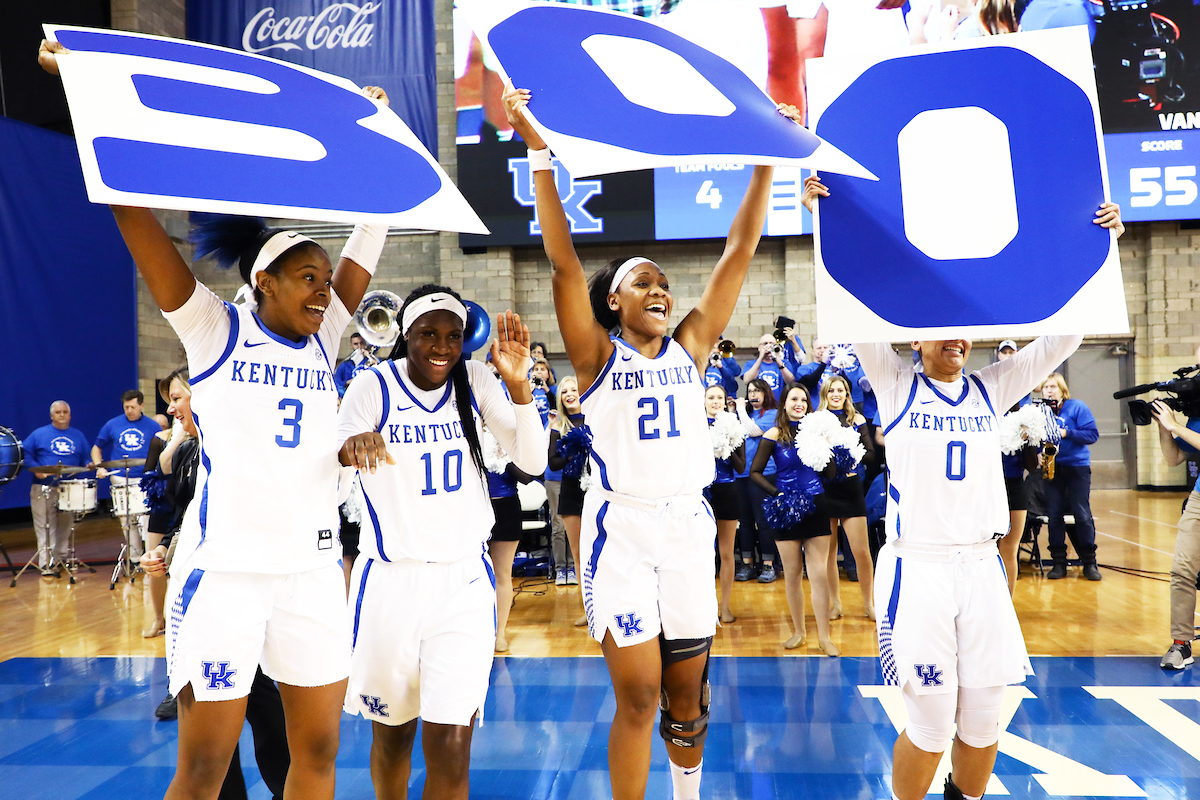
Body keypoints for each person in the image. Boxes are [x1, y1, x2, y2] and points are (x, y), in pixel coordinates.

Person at [41, 38, 389, 799]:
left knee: (317, 758)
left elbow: (369, 237)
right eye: (307, 279)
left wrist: (375, 139)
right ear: (263, 280)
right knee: (201, 770)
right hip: (226, 574)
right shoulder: (214, 328)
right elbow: (134, 218)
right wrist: (84, 99)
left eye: (328, 283)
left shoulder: (326, 334)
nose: (325, 294)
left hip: (309, 572)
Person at [504, 82, 791, 800]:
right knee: (638, 698)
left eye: (664, 282)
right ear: (614, 304)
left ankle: (686, 793)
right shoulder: (598, 358)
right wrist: (540, 156)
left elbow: (741, 246)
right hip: (622, 530)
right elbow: (565, 262)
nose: (660, 289)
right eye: (642, 283)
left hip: (687, 525)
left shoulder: (690, 347)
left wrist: (767, 161)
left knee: (688, 699)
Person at [802, 174, 1124, 800]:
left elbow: (1065, 336)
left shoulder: (990, 386)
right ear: (913, 336)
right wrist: (822, 218)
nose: (955, 335)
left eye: (962, 326)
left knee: (983, 720)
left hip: (980, 565)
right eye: (938, 325)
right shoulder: (894, 384)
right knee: (927, 726)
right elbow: (846, 296)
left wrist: (1102, 248)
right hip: (917, 568)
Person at [337, 286, 546, 800]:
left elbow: (533, 462)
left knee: (452, 747)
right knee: (392, 739)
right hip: (390, 581)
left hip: (462, 584)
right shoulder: (372, 387)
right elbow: (335, 461)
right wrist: (350, 448)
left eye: (453, 336)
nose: (441, 346)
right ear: (405, 333)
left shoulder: (475, 380)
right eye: (428, 333)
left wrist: (519, 388)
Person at [140, 371, 291, 797]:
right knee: (222, 720)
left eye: (176, 398)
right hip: (201, 593)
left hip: (245, 588)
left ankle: (288, 786)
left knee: (262, 704)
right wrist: (164, 552)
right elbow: (188, 517)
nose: (170, 409)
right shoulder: (188, 451)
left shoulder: (247, 449)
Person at [750, 383, 837, 654]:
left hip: (816, 504)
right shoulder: (774, 433)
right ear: (784, 404)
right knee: (792, 574)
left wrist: (827, 445)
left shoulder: (816, 433)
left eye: (803, 399)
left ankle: (824, 637)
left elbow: (831, 474)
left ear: (808, 405)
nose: (798, 403)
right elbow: (755, 472)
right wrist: (778, 495)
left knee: (819, 573)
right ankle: (799, 631)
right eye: (793, 399)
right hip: (785, 509)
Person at [818, 374, 876, 620]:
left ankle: (869, 603)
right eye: (831, 391)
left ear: (847, 394)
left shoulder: (857, 419)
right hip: (826, 489)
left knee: (861, 550)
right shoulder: (816, 421)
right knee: (829, 553)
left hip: (851, 488)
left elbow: (872, 455)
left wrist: (853, 451)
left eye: (840, 390)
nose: (836, 395)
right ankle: (836, 604)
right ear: (825, 395)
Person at [1150, 397, 1200, 669]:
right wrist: (1163, 426)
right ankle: (1181, 643)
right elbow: (1174, 458)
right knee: (1182, 568)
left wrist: (1177, 427)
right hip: (1199, 499)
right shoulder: (1197, 414)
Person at [1040, 372, 1101, 581]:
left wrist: (1066, 433)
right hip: (1051, 467)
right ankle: (1058, 562)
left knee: (1081, 514)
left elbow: (1092, 435)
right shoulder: (1039, 411)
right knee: (1054, 515)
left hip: (1076, 467)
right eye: (1046, 387)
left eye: (1053, 387)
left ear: (1062, 389)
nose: (1049, 390)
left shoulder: (1077, 407)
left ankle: (1089, 562)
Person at [485, 425, 538, 653]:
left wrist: (505, 456)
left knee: (502, 574)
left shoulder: (508, 436)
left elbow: (527, 477)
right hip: (472, 508)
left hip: (505, 508)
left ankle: (500, 633)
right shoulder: (465, 432)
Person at [93, 389, 163, 561]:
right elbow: (96, 448)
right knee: (127, 519)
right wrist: (99, 467)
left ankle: (150, 555)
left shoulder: (153, 426)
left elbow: (162, 448)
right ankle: (134, 558)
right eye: (126, 407)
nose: (129, 411)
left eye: (132, 407)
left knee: (147, 517)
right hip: (120, 478)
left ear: (142, 406)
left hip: (144, 478)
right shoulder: (112, 424)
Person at [23, 401, 90, 576]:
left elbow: (85, 458)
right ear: (52, 415)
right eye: (58, 412)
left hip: (68, 488)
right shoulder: (39, 434)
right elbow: (25, 453)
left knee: (64, 527)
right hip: (43, 487)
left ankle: (61, 559)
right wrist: (36, 469)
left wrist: (90, 464)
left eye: (65, 412)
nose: (62, 414)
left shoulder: (78, 435)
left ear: (70, 415)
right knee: (45, 527)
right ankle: (46, 564)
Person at [704, 384, 745, 624]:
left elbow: (741, 467)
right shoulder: (693, 425)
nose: (715, 401)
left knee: (726, 552)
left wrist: (727, 444)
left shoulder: (733, 426)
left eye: (719, 397)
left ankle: (726, 606)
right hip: (700, 492)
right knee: (702, 553)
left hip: (727, 489)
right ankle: (704, 605)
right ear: (704, 401)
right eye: (710, 397)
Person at [995, 340, 1034, 594]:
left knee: (1010, 547)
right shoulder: (985, 416)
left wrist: (1030, 440)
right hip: (987, 486)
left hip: (1014, 485)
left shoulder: (1024, 416)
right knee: (985, 548)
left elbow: (1031, 464)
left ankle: (1006, 602)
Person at [547, 378, 588, 615]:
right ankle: (586, 609)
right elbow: (553, 462)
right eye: (564, 391)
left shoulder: (596, 419)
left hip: (597, 490)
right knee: (580, 555)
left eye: (574, 389)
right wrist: (573, 450)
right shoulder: (558, 426)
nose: (570, 394)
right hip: (571, 492)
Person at [735, 379, 781, 583]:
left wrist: (739, 409)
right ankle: (747, 563)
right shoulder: (745, 415)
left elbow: (752, 430)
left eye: (757, 391)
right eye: (750, 391)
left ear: (766, 394)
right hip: (741, 474)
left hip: (764, 474)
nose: (753, 395)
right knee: (745, 521)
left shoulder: (771, 414)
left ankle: (768, 565)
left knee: (763, 522)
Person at [743, 333, 796, 401]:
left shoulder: (785, 363)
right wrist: (761, 358)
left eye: (772, 343)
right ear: (759, 348)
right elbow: (747, 381)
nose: (769, 346)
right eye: (765, 343)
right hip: (759, 406)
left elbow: (791, 382)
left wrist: (778, 361)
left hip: (779, 406)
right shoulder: (750, 364)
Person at [334, 332, 376, 397]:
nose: (359, 347)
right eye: (356, 344)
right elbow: (337, 383)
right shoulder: (344, 365)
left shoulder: (372, 360)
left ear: (365, 343)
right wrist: (348, 382)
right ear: (351, 345)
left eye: (361, 343)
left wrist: (369, 357)